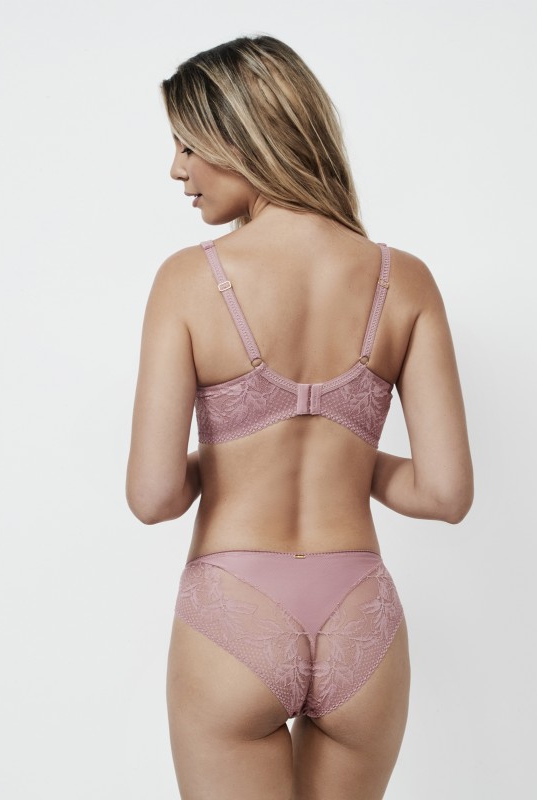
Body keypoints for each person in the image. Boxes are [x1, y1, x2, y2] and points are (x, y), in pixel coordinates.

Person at [126, 34, 473, 800]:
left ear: (242, 136)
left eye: (189, 145)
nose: (177, 169)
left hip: (233, 613)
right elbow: (446, 494)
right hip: (361, 617)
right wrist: (352, 459)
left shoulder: (189, 281)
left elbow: (153, 497)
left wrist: (231, 458)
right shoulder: (405, 281)